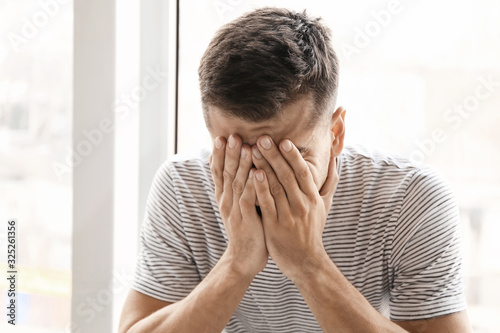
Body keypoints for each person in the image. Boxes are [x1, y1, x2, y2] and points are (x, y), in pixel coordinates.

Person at [119, 7, 472, 333]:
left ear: (335, 135)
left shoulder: (411, 199)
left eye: (289, 155)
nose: (263, 180)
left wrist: (308, 263)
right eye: (238, 154)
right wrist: (237, 263)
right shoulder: (184, 187)